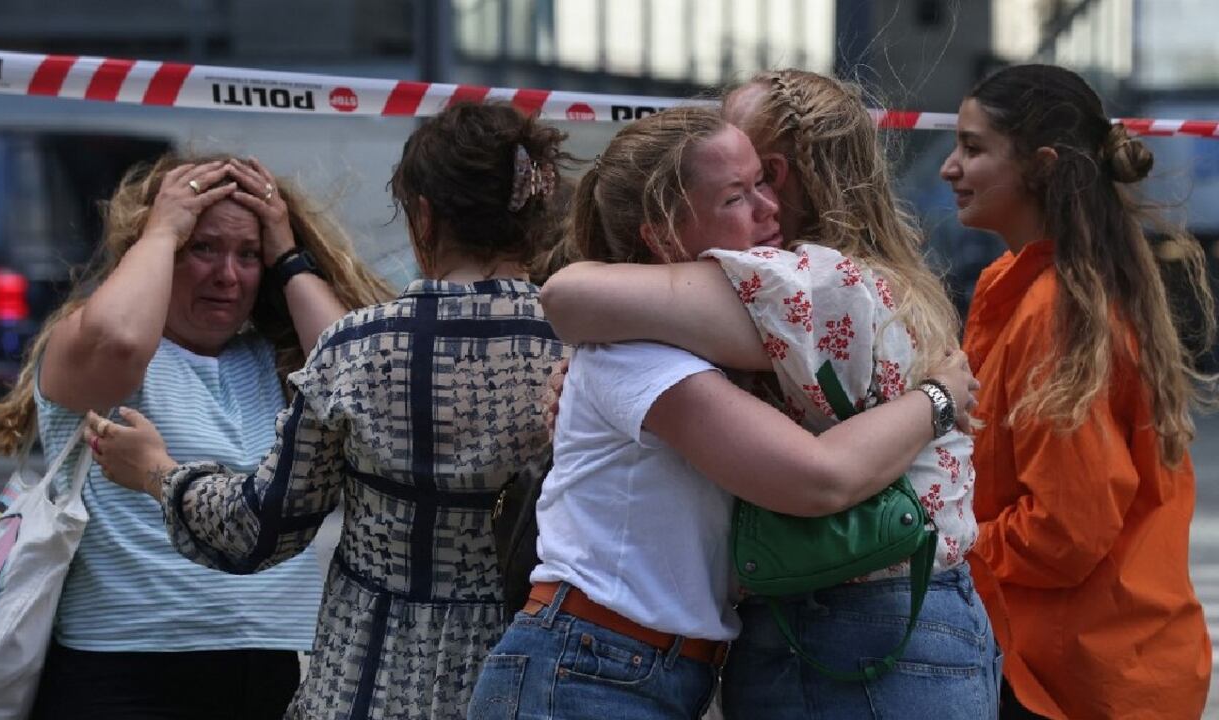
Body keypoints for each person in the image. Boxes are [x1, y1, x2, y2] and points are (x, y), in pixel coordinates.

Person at [467, 105, 979, 720]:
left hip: (628, 666)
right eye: (737, 196)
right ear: (659, 235)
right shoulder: (639, 353)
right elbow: (818, 476)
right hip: (592, 665)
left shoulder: (679, 340)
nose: (769, 208)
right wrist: (939, 399)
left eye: (765, 182)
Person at [85, 102, 570, 719]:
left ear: (424, 217)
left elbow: (255, 529)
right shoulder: (583, 347)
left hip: (365, 682)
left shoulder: (360, 348)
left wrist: (157, 471)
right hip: (526, 681)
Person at [0, 153, 388, 718]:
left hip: (262, 664)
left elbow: (361, 385)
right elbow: (119, 339)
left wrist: (288, 254)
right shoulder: (94, 344)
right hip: (122, 667)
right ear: (159, 252)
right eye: (203, 248)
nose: (228, 275)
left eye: (249, 255)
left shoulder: (273, 359)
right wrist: (164, 224)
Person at [940, 64, 1214, 719]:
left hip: (1074, 678)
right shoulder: (1031, 285)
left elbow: (1065, 529)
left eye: (974, 149)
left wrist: (943, 542)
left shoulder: (1053, 308)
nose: (951, 167)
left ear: (1041, 166)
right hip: (1090, 659)